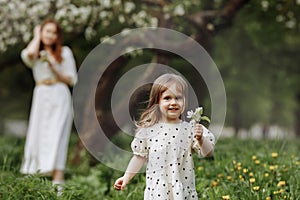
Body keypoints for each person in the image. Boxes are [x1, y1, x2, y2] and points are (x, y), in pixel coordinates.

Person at [114, 73, 215, 199]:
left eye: (178, 98)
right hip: (158, 192)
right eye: (167, 98)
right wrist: (126, 177)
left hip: (182, 190)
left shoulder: (190, 129)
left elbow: (208, 153)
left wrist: (200, 139)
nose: (173, 102)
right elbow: (139, 157)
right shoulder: (148, 131)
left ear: (185, 101)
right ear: (157, 101)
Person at [20, 19, 77, 187]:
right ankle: (31, 181)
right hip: (41, 95)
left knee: (58, 136)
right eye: (47, 31)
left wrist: (54, 66)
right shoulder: (34, 53)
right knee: (37, 133)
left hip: (59, 95)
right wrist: (37, 35)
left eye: (54, 32)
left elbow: (71, 79)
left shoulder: (64, 52)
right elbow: (28, 54)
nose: (50, 35)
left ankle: (58, 183)